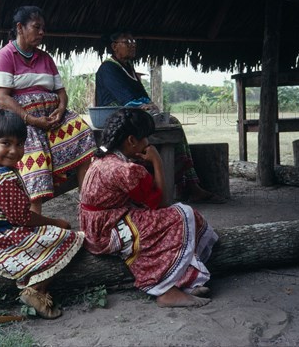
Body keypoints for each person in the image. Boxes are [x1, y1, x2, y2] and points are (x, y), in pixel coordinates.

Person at [79, 108, 218, 308]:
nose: (148, 143)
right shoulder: (126, 170)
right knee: (181, 214)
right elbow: (162, 203)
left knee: (170, 220)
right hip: (107, 233)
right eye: (145, 137)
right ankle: (166, 290)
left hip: (96, 228)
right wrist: (157, 161)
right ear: (131, 141)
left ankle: (183, 281)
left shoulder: (102, 158)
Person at [0, 110, 85, 319]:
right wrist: (56, 222)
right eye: (6, 143)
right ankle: (36, 289)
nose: (14, 151)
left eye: (19, 144)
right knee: (70, 237)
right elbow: (21, 219)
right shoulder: (2, 177)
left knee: (49, 231)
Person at [0, 6, 96, 214]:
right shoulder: (5, 55)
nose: (42, 32)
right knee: (35, 156)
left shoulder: (45, 58)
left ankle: (87, 206)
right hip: (17, 121)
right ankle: (34, 224)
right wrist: (30, 119)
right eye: (36, 27)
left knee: (84, 135)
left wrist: (61, 109)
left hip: (49, 118)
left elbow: (61, 92)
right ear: (20, 28)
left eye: (43, 28)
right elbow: (1, 97)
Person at [95, 30, 226, 204]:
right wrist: (145, 107)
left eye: (134, 40)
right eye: (127, 41)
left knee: (173, 124)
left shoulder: (128, 69)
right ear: (114, 46)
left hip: (129, 114)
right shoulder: (108, 68)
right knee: (169, 124)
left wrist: (149, 106)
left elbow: (141, 97)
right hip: (115, 118)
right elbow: (125, 98)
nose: (133, 44)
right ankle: (186, 186)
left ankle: (190, 185)